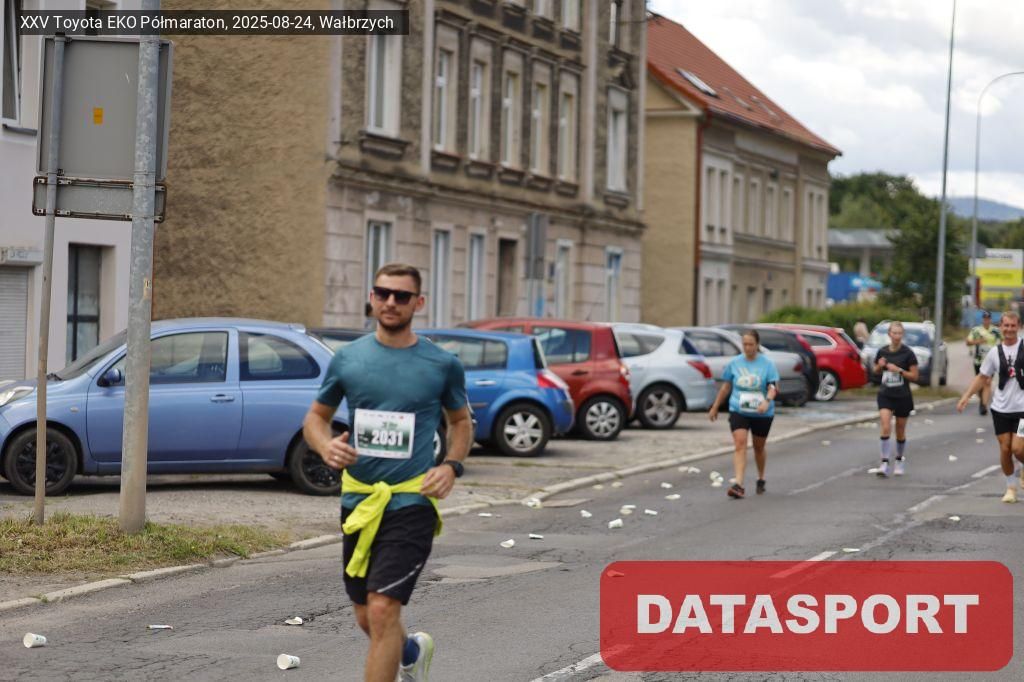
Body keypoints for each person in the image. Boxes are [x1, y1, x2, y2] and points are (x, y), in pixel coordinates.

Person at [303, 263, 473, 682]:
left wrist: (451, 466)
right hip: (360, 500)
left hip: (412, 499)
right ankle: (411, 651)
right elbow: (316, 418)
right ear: (372, 298)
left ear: (419, 302)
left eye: (401, 296)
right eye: (383, 293)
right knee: (367, 616)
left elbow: (461, 422)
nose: (391, 302)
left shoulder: (441, 364)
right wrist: (326, 446)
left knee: (382, 609)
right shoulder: (349, 359)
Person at [957, 310, 1024, 504]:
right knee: (1005, 449)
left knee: (1018, 448)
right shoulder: (995, 352)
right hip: (1001, 408)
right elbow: (982, 377)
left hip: (1022, 409)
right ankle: (1010, 487)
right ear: (1000, 327)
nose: (1009, 329)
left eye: (1013, 326)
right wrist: (966, 396)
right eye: (1006, 325)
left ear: (1019, 327)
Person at [708, 329, 779, 499]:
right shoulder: (735, 363)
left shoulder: (767, 364)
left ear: (757, 345)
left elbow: (773, 387)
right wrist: (715, 406)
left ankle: (761, 478)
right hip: (739, 409)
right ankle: (738, 484)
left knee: (758, 447)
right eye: (744, 344)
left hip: (762, 412)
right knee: (740, 444)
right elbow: (726, 386)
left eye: (750, 344)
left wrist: (766, 401)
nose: (747, 348)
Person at [872, 321, 919, 477]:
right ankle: (884, 462)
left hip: (902, 396)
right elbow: (875, 371)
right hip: (885, 394)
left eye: (899, 333)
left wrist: (899, 370)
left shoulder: (908, 353)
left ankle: (899, 459)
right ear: (889, 334)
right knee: (885, 426)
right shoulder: (882, 351)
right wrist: (879, 366)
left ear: (902, 335)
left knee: (900, 430)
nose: (897, 336)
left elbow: (915, 376)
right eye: (894, 333)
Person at [966, 311, 1001, 415]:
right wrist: (978, 341)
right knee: (980, 382)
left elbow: (1004, 341)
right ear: (982, 319)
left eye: (988, 319)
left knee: (987, 382)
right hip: (979, 360)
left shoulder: (996, 331)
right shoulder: (976, 330)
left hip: (991, 361)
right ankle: (981, 398)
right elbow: (968, 342)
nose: (986, 320)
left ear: (990, 319)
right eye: (985, 319)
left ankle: (983, 405)